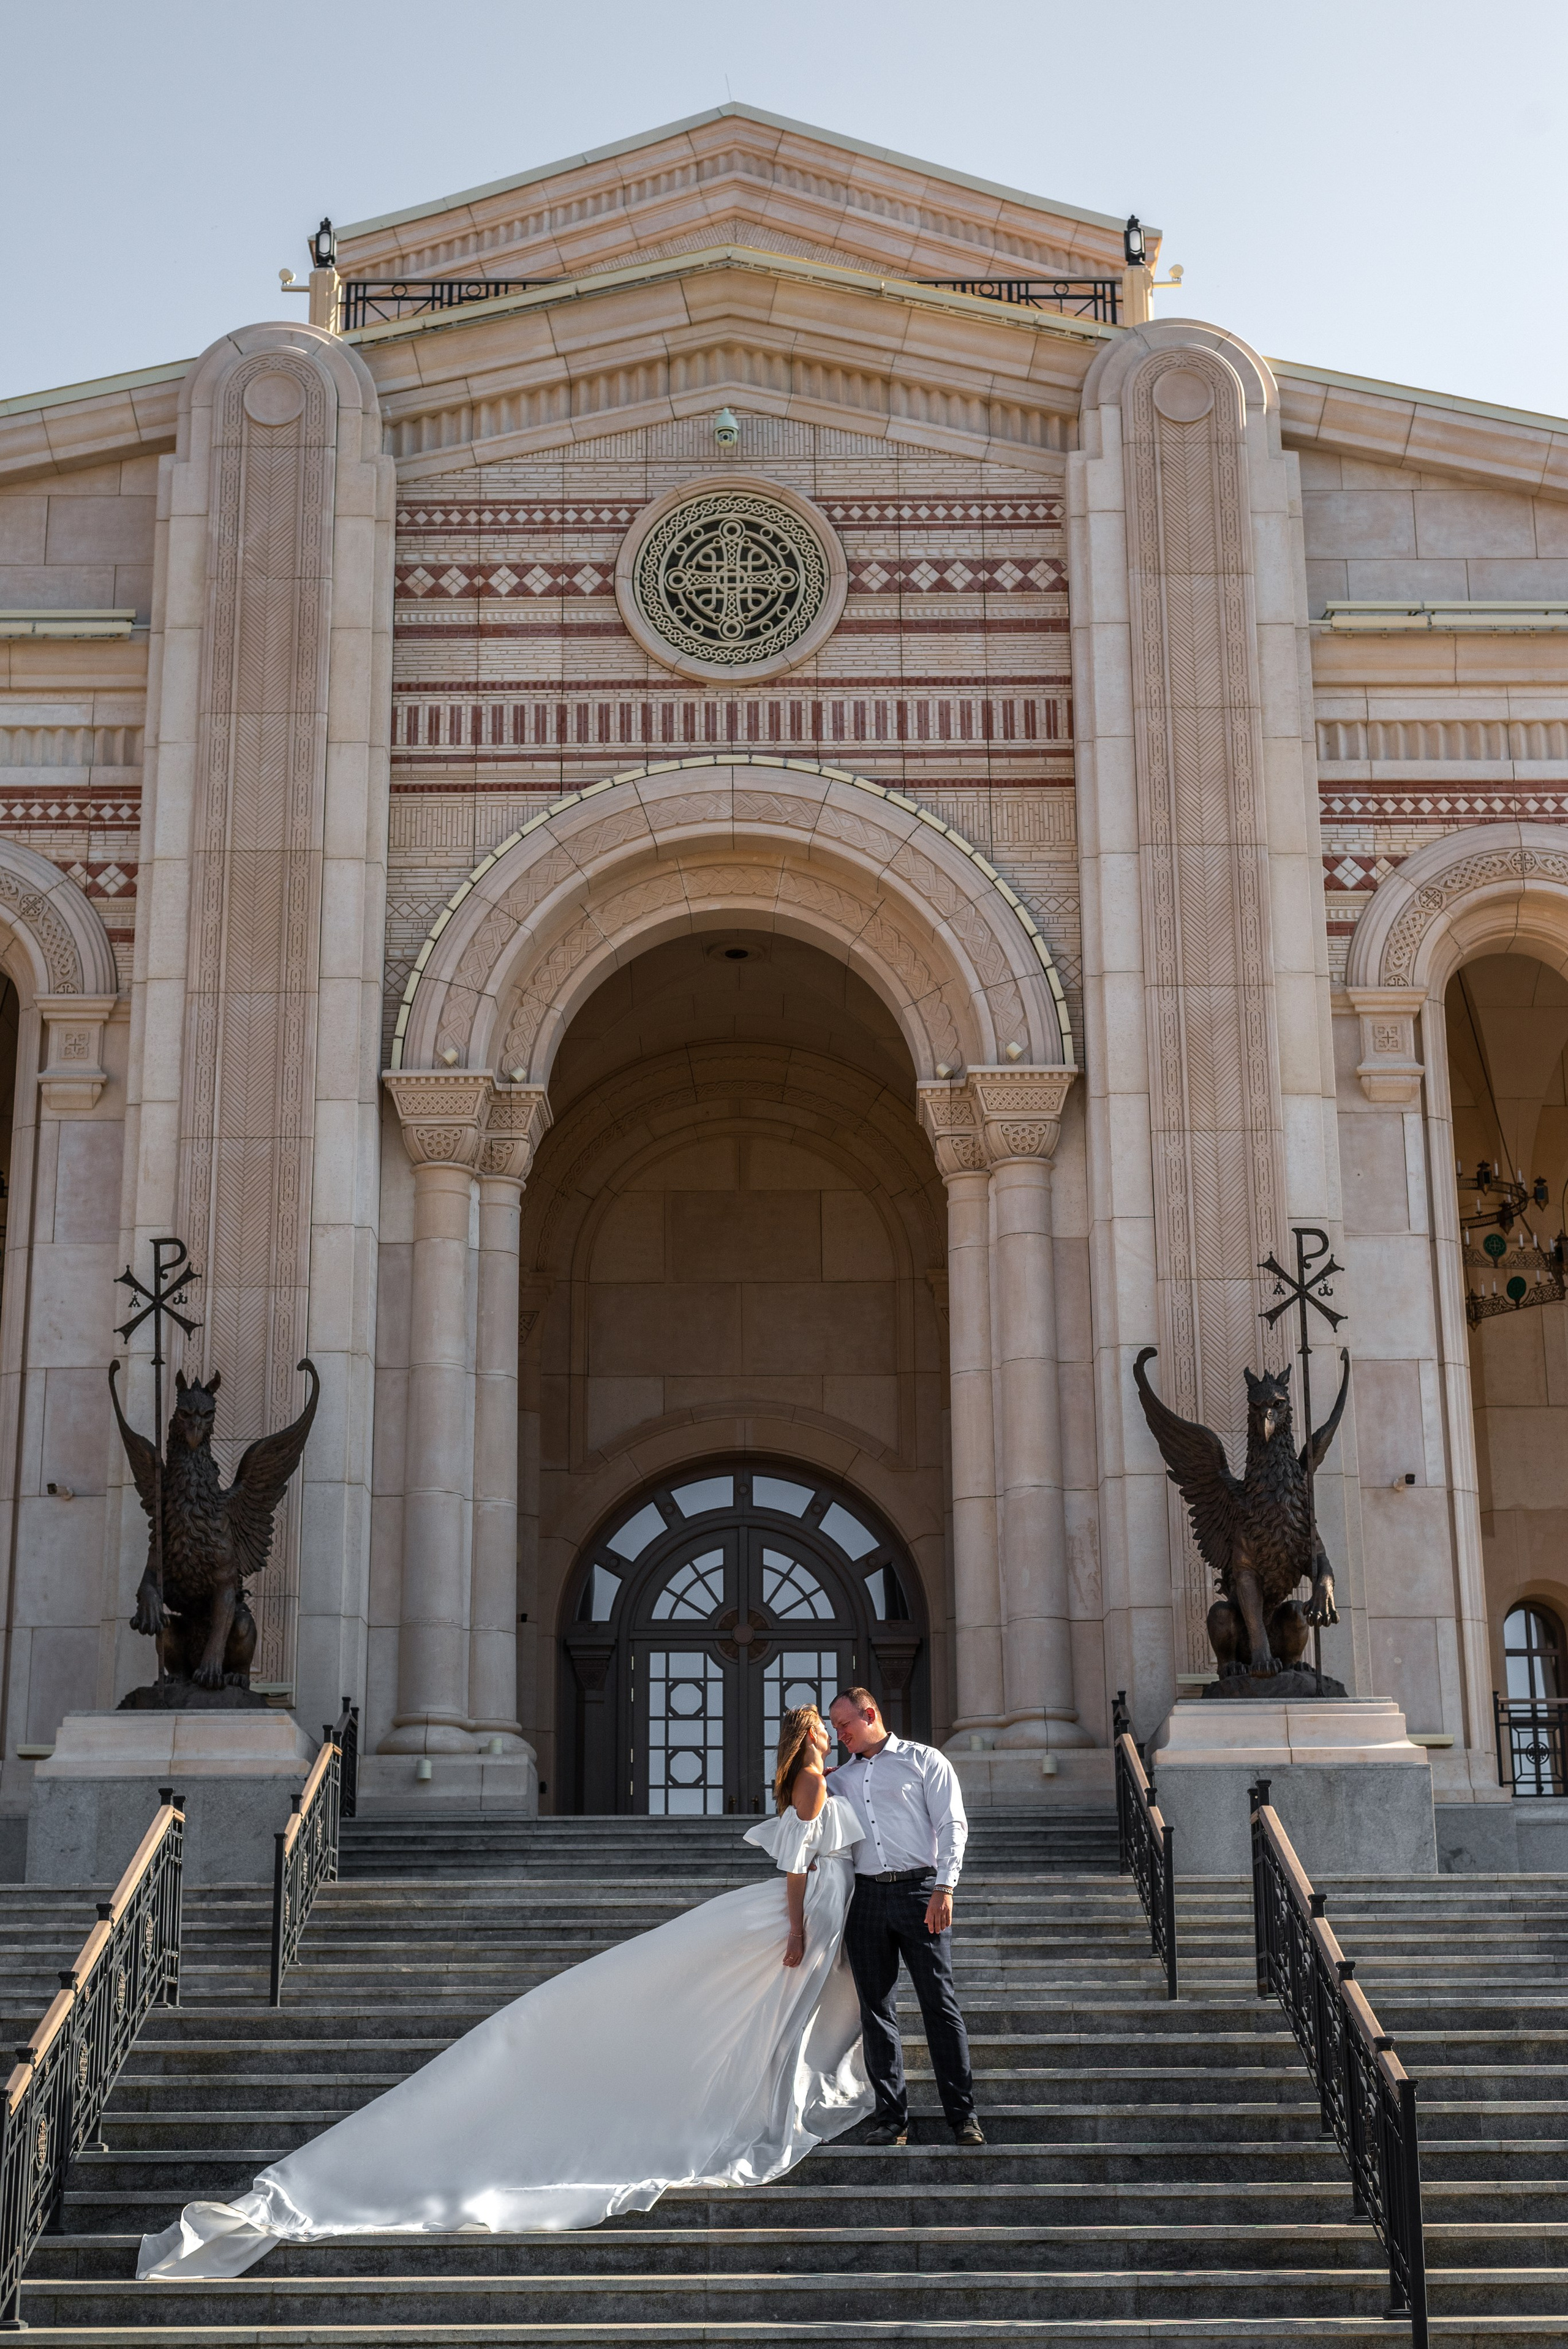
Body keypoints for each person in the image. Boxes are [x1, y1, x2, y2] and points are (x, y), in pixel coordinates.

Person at [137, 1707, 872, 2282]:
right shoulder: (814, 1781)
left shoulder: (819, 1778)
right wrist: (798, 1927)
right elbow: (799, 1866)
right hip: (809, 1907)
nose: (830, 1736)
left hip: (827, 1906)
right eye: (823, 1727)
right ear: (808, 1738)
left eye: (834, 1727)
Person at [827, 1686, 982, 2148]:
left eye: (844, 1724)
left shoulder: (925, 1760)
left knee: (939, 2004)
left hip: (920, 1892)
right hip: (865, 1899)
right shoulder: (840, 1780)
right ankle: (892, 2120)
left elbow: (952, 1824)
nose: (839, 1734)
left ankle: (964, 2117)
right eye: (834, 1728)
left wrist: (945, 1887)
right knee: (876, 2011)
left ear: (869, 1713)